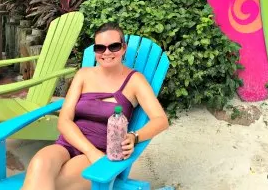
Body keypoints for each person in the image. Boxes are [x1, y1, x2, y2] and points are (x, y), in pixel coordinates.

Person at [21, 22, 169, 190]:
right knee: (40, 163)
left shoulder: (135, 81)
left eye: (113, 46)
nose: (106, 53)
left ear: (123, 48)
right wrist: (91, 152)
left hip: (104, 151)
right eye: (100, 48)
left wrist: (134, 137)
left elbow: (161, 120)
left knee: (55, 183)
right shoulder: (83, 75)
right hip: (68, 144)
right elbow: (64, 120)